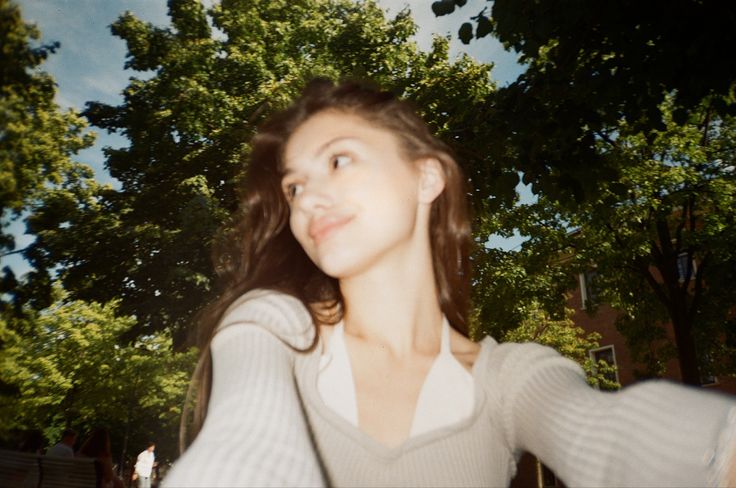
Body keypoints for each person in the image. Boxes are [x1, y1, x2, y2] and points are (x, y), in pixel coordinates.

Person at [162, 79, 736, 487]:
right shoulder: (270, 326)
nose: (307, 196)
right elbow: (244, 448)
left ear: (426, 175)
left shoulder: (510, 378)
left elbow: (611, 437)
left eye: (339, 160)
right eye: (292, 187)